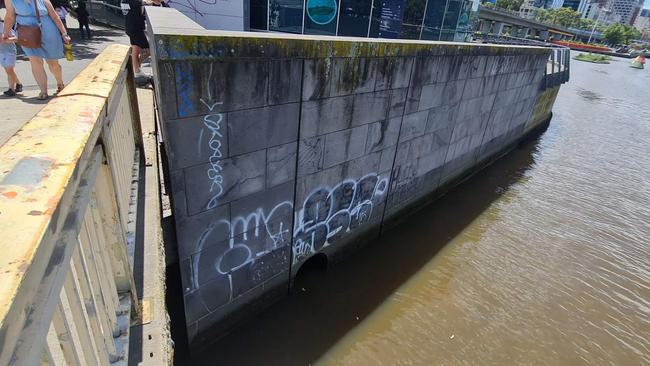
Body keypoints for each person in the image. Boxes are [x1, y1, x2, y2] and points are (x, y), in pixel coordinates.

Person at [3, 0, 70, 100]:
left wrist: (64, 34)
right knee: (35, 61)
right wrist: (5, 34)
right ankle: (43, 91)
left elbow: (54, 16)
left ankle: (59, 82)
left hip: (47, 32)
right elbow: (10, 16)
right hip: (27, 33)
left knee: (53, 63)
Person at [124, 0, 150, 78]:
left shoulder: (124, 1)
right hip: (136, 28)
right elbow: (140, 5)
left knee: (135, 50)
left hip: (130, 27)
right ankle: (136, 67)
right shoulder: (134, 2)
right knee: (147, 50)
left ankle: (137, 71)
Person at [0, 15, 23, 96]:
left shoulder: (4, 26)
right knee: (9, 71)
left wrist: (6, 40)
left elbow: (16, 38)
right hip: (1, 52)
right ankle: (19, 84)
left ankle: (11, 89)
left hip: (10, 51)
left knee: (9, 70)